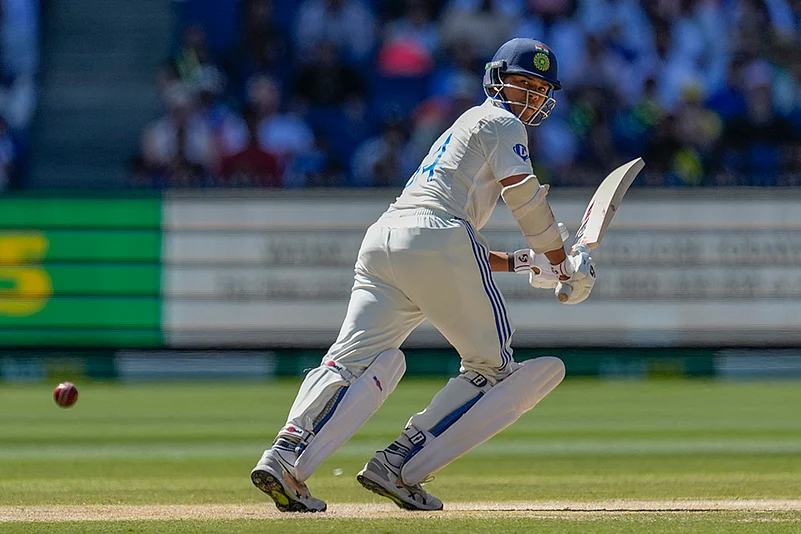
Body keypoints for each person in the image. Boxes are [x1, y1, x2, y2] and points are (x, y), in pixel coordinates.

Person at [250, 37, 597, 512]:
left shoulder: (463, 126)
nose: (530, 97)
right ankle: (399, 463)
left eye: (539, 89)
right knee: (493, 371)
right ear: (496, 82)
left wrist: (520, 261)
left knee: (350, 360)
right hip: (436, 239)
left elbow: (441, 232)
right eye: (522, 84)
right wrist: (560, 263)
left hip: (385, 239)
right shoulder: (501, 121)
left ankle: (286, 454)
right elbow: (523, 198)